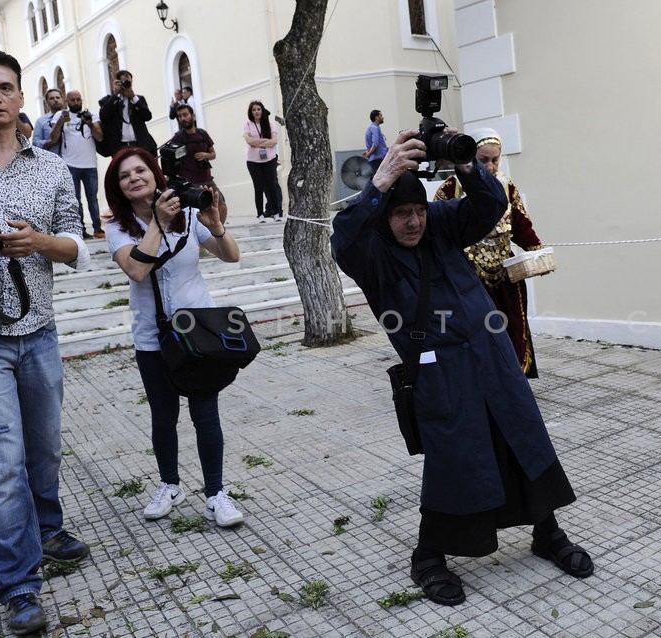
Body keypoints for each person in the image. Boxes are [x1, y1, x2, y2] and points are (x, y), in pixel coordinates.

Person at [331, 130, 593, 607]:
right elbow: (342, 240)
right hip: (441, 373)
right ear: (386, 216)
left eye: (418, 212)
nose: (413, 223)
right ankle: (428, 556)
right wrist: (381, 179)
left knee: (522, 441)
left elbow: (491, 206)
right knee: (456, 460)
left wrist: (467, 166)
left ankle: (547, 532)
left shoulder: (441, 224)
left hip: (493, 359)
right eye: (402, 214)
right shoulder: (373, 256)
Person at [0, 47, 91, 635]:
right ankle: (18, 585)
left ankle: (47, 526)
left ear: (21, 99)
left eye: (5, 87)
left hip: (39, 333)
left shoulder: (53, 168)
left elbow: (77, 248)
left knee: (43, 448)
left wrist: (40, 243)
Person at [102, 146, 246, 528]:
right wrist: (158, 224)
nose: (133, 178)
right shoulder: (116, 226)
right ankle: (170, 484)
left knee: (205, 413)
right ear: (117, 187)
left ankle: (215, 494)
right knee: (163, 415)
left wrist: (214, 223)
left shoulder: (187, 214)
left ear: (154, 174)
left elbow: (231, 255)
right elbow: (135, 269)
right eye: (124, 175)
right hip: (153, 337)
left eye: (140, 171)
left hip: (199, 334)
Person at [434, 127, 543, 377]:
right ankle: (485, 378)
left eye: (495, 159)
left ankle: (515, 376)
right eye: (483, 160)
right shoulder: (450, 190)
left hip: (506, 276)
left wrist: (537, 251)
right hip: (470, 278)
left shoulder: (507, 187)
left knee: (513, 325)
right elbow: (441, 233)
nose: (491, 166)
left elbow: (521, 225)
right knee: (481, 330)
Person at [50, 90, 104, 238]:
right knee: (75, 199)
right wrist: (60, 122)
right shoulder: (60, 115)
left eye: (78, 99)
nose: (75, 102)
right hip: (70, 164)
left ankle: (98, 229)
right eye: (72, 100)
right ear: (67, 101)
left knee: (92, 198)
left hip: (90, 164)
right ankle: (80, 231)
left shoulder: (91, 116)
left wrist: (90, 123)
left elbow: (99, 137)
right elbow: (53, 138)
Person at [170, 103, 228, 223]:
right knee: (196, 213)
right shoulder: (178, 137)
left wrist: (205, 155)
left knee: (221, 205)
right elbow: (171, 159)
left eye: (185, 115)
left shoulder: (202, 133)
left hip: (207, 179)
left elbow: (213, 154)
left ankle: (219, 232)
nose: (183, 118)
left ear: (193, 116)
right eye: (180, 116)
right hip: (189, 183)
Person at [98, 69, 157, 156]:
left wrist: (133, 98)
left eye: (129, 82)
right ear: (117, 83)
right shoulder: (110, 100)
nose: (126, 85)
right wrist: (115, 95)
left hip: (139, 144)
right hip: (120, 147)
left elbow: (147, 116)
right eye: (123, 82)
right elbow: (103, 116)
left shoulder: (138, 99)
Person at [242, 100, 284, 222]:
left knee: (272, 186)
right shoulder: (247, 125)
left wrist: (258, 142)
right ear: (251, 112)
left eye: (258, 109)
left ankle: (276, 213)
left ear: (262, 110)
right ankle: (260, 214)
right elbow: (249, 142)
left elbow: (274, 141)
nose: (256, 112)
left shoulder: (270, 124)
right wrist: (266, 141)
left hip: (269, 159)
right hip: (253, 161)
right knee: (258, 187)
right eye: (254, 110)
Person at [32, 87, 65, 155]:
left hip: (73, 161)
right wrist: (51, 141)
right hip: (53, 161)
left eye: (58, 97)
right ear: (46, 102)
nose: (55, 100)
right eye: (51, 98)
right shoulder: (41, 121)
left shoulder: (71, 117)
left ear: (62, 99)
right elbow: (35, 143)